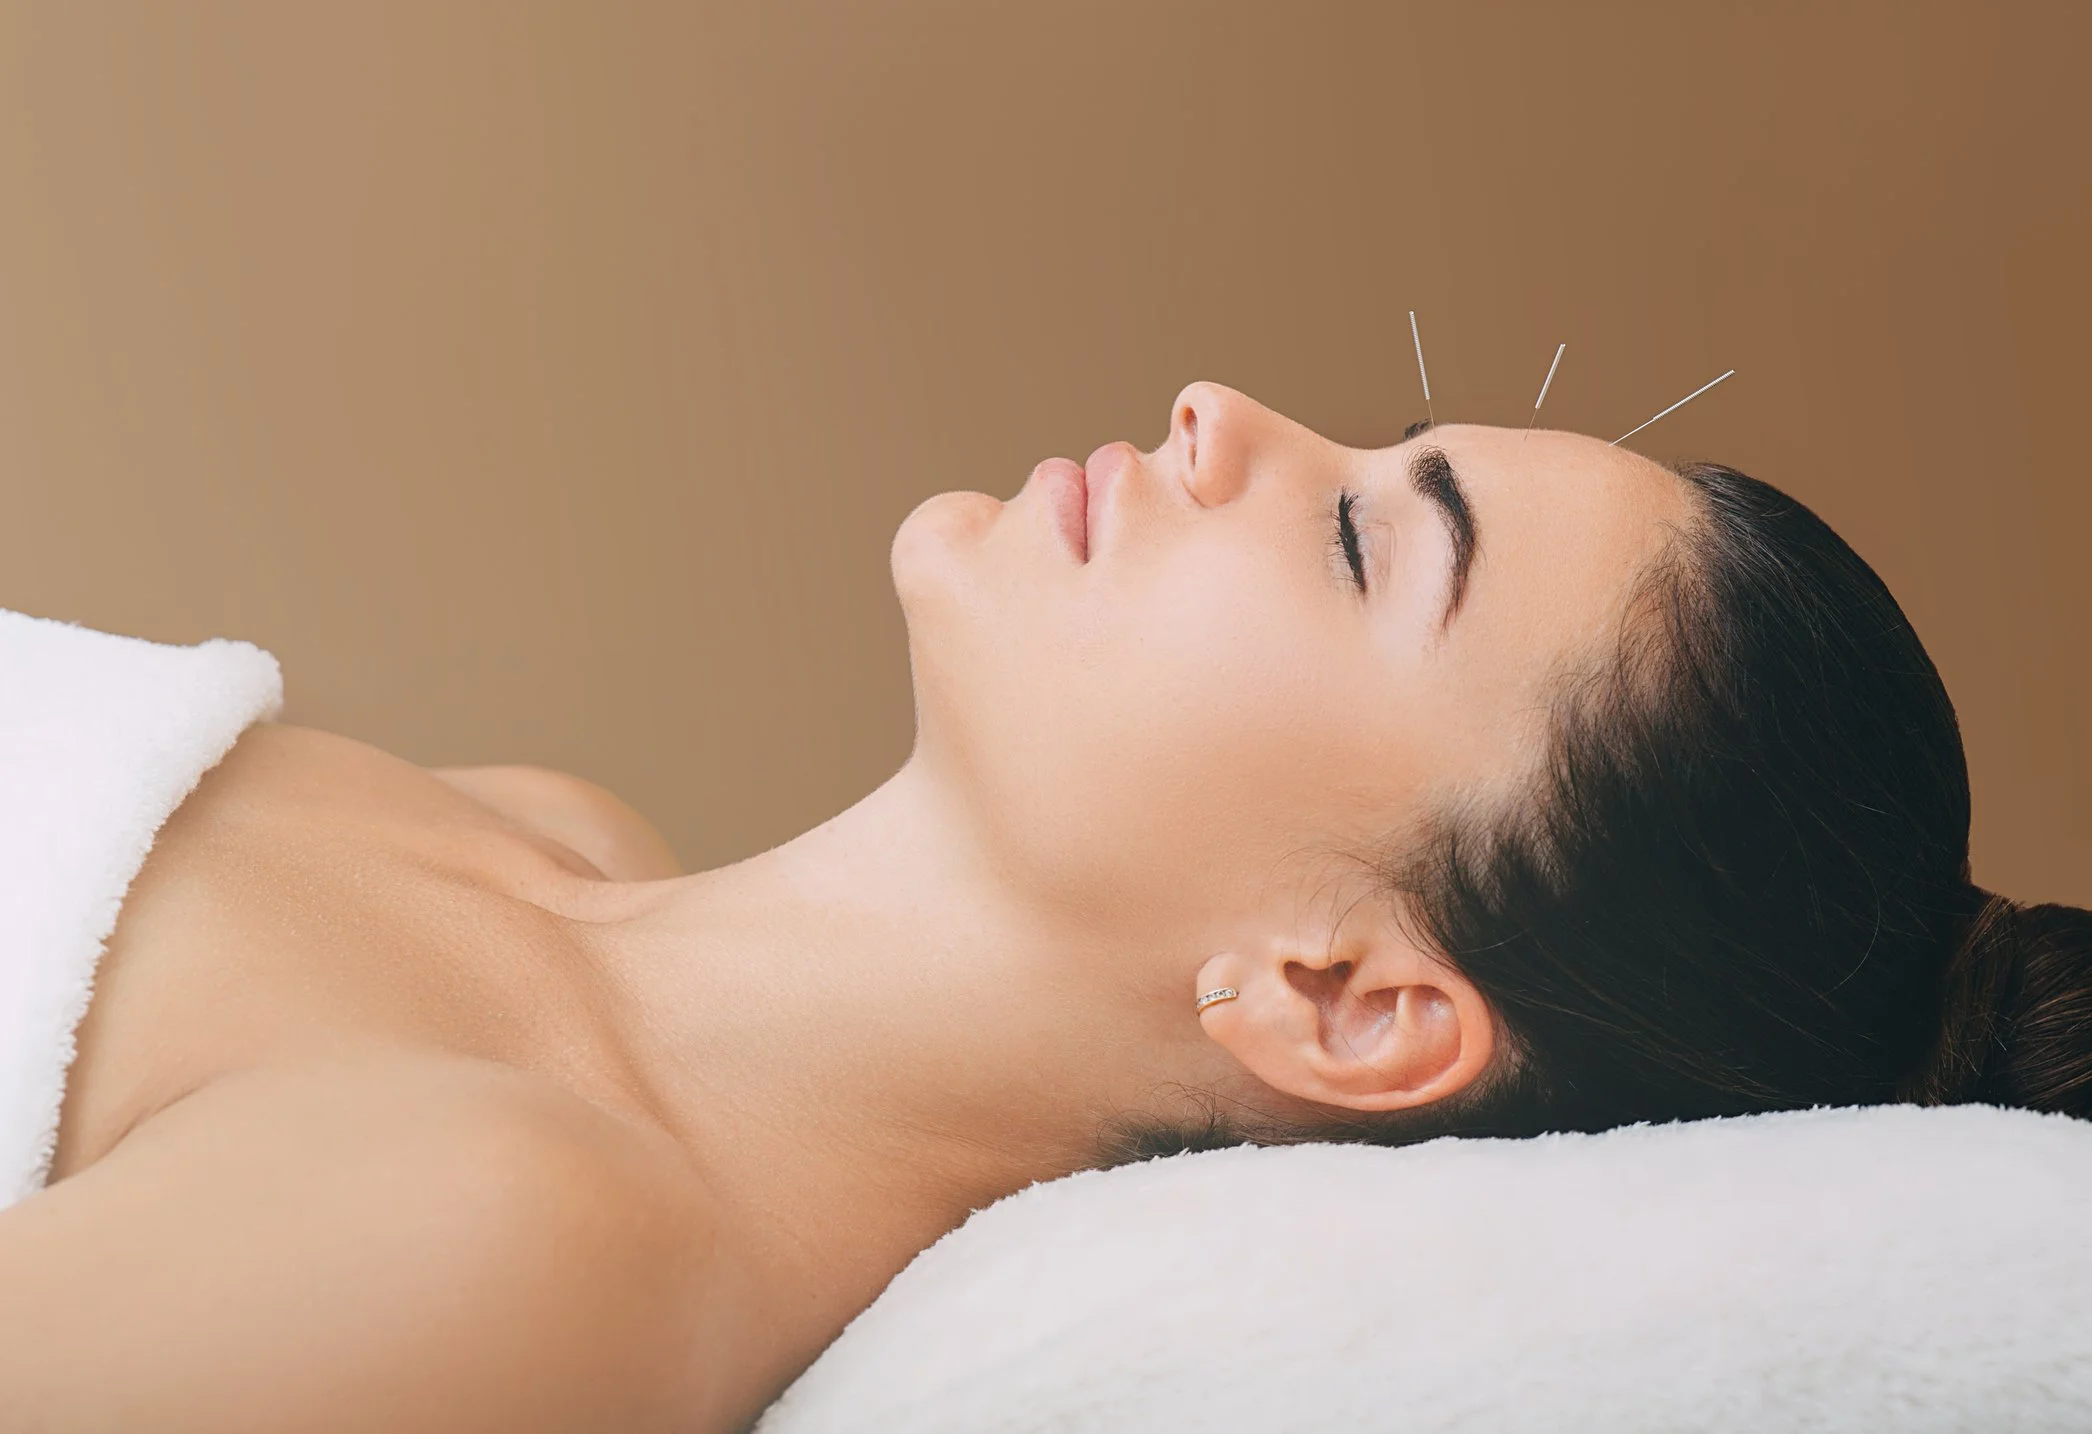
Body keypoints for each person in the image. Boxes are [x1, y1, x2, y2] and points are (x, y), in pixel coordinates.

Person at [2, 383, 2085, 1431]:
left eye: (1364, 545)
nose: (1220, 417)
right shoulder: (557, 839)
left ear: (1342, 996)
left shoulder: (518, 1227)